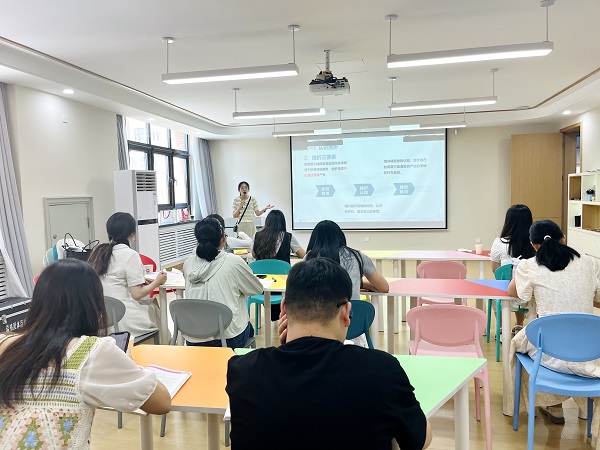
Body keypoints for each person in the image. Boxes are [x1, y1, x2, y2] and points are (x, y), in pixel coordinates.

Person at [226, 258, 432, 450]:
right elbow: (420, 440)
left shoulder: (243, 371)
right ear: (346, 312)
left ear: (283, 308)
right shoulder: (383, 370)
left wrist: (285, 351)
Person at [0, 259, 171, 449]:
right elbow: (162, 402)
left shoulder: (4, 342)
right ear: (93, 304)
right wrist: (127, 362)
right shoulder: (92, 352)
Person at [508, 220, 600, 425]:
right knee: (572, 334)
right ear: (563, 239)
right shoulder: (591, 263)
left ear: (534, 245)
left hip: (550, 354)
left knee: (519, 344)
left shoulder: (529, 265)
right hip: (589, 352)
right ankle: (584, 409)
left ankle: (552, 405)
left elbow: (514, 292)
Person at [183, 217, 263, 347]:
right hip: (227, 338)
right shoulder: (233, 262)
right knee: (249, 328)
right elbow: (257, 288)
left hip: (193, 339)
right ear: (223, 238)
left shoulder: (188, 263)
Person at [88, 212, 167, 338]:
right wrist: (158, 281)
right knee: (154, 308)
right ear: (132, 233)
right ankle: (163, 344)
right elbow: (137, 294)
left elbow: (112, 279)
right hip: (122, 318)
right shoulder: (130, 254)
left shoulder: (99, 251)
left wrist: (138, 280)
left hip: (101, 318)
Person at [305, 220, 389, 301]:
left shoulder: (309, 257)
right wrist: (357, 284)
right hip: (352, 309)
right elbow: (384, 287)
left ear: (314, 239)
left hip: (318, 309)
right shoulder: (358, 256)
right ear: (340, 236)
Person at [251, 209, 305, 320]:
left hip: (262, 287)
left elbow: (253, 254)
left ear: (267, 222)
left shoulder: (257, 236)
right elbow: (303, 255)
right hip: (282, 288)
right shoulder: (288, 237)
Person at [490, 204, 536, 334]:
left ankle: (501, 328)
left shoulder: (499, 243)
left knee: (499, 285)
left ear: (508, 222)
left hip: (506, 294)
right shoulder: (535, 244)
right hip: (530, 295)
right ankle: (519, 325)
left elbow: (495, 270)